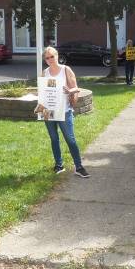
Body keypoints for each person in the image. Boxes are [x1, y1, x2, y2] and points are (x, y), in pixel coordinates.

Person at [41, 47, 88, 177]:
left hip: (64, 110)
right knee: (54, 138)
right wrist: (40, 106)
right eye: (47, 57)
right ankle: (59, 165)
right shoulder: (45, 73)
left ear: (57, 56)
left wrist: (70, 92)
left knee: (70, 139)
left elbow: (76, 88)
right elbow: (43, 91)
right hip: (48, 110)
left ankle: (78, 167)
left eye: (52, 56)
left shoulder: (65, 70)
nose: (50, 59)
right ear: (45, 60)